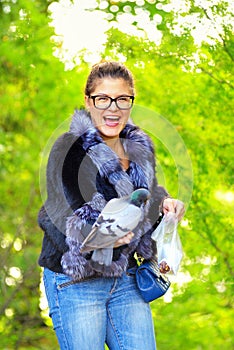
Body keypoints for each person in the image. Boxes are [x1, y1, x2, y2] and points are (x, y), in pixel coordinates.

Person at [38, 61, 185, 350]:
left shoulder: (139, 148)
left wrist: (165, 204)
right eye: (103, 98)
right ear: (88, 101)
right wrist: (104, 236)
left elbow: (147, 196)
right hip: (76, 281)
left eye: (122, 99)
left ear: (131, 102)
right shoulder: (68, 148)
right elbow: (61, 213)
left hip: (126, 277)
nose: (113, 108)